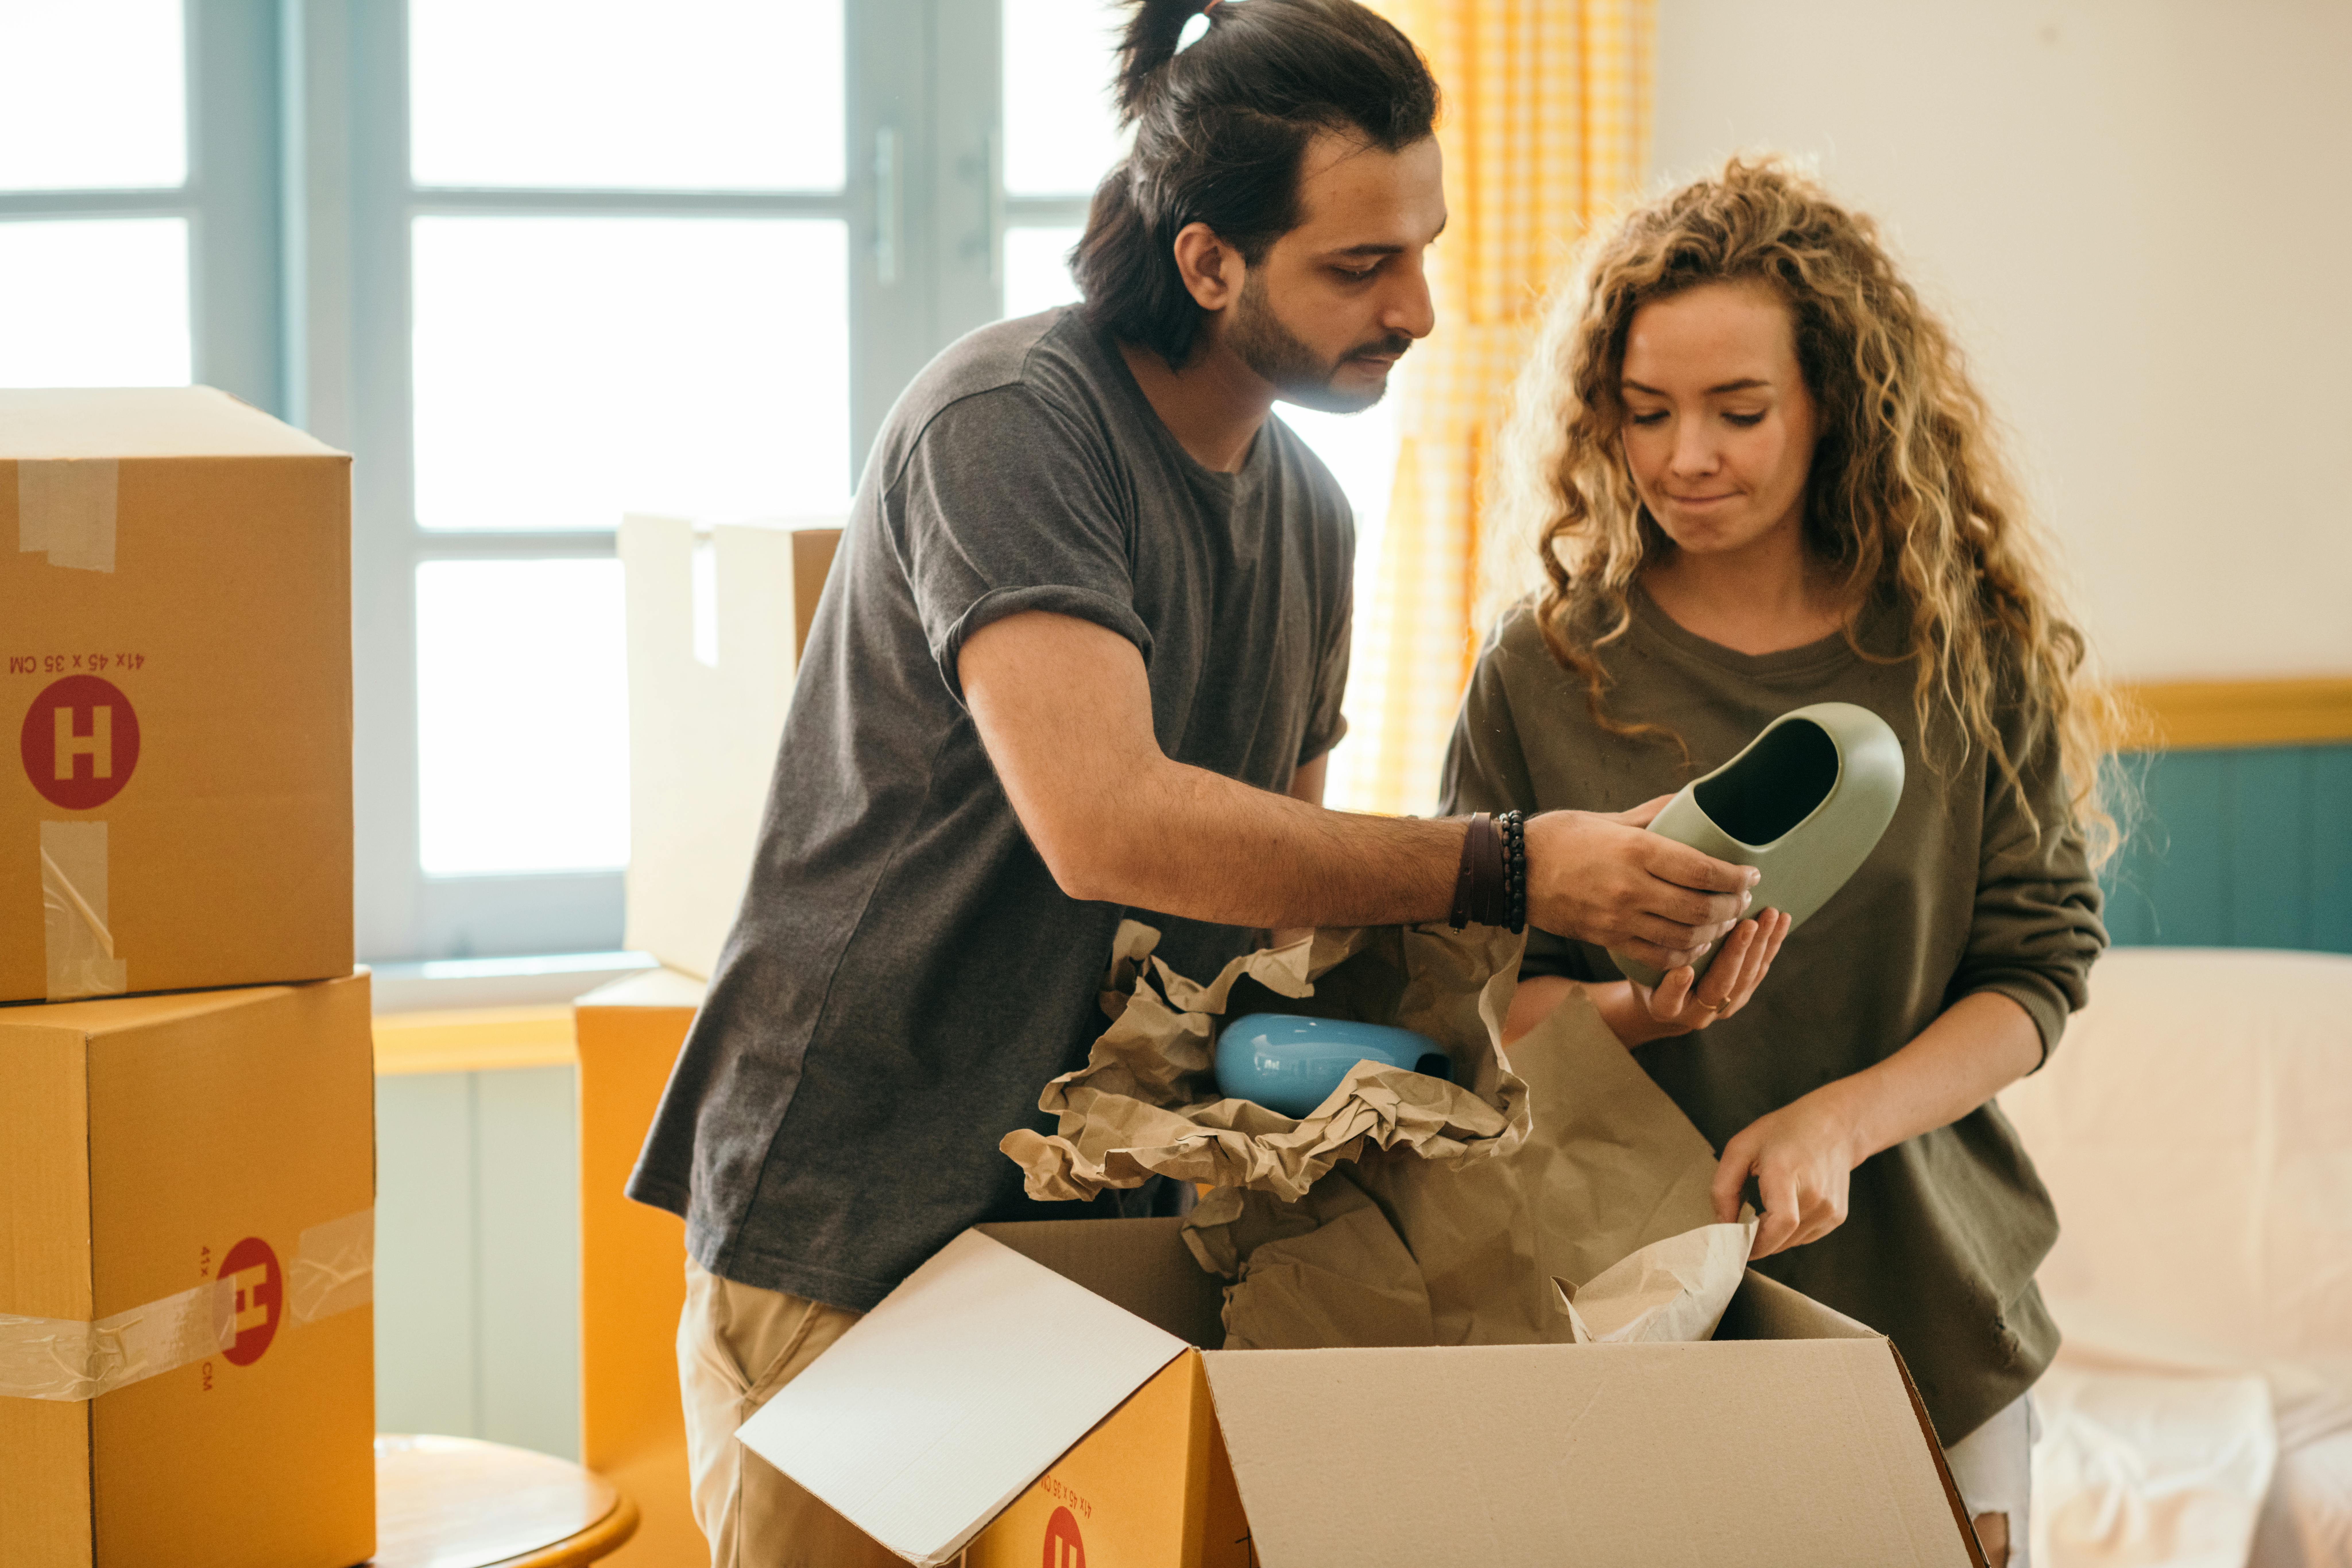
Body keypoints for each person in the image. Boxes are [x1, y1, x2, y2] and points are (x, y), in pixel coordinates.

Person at [628, 4, 1775, 1564]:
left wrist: (1607, 973)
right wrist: (1514, 865)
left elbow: (1257, 932)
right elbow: (1109, 824)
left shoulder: (1309, 524)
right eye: (1360, 268)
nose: (1421, 308)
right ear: (1208, 260)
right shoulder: (1014, 425)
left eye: (1425, 249)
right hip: (855, 1207)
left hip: (1086, 1246)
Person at [1442, 156, 2115, 1567]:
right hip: (1613, 1320)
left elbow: (2035, 967)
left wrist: (1839, 1124)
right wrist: (1638, 1011)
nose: (1687, 455)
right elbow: (1467, 1017)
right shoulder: (1538, 672)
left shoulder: (1957, 648)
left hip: (1927, 1315)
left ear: (1835, 406)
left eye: (1738, 411)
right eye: (1645, 413)